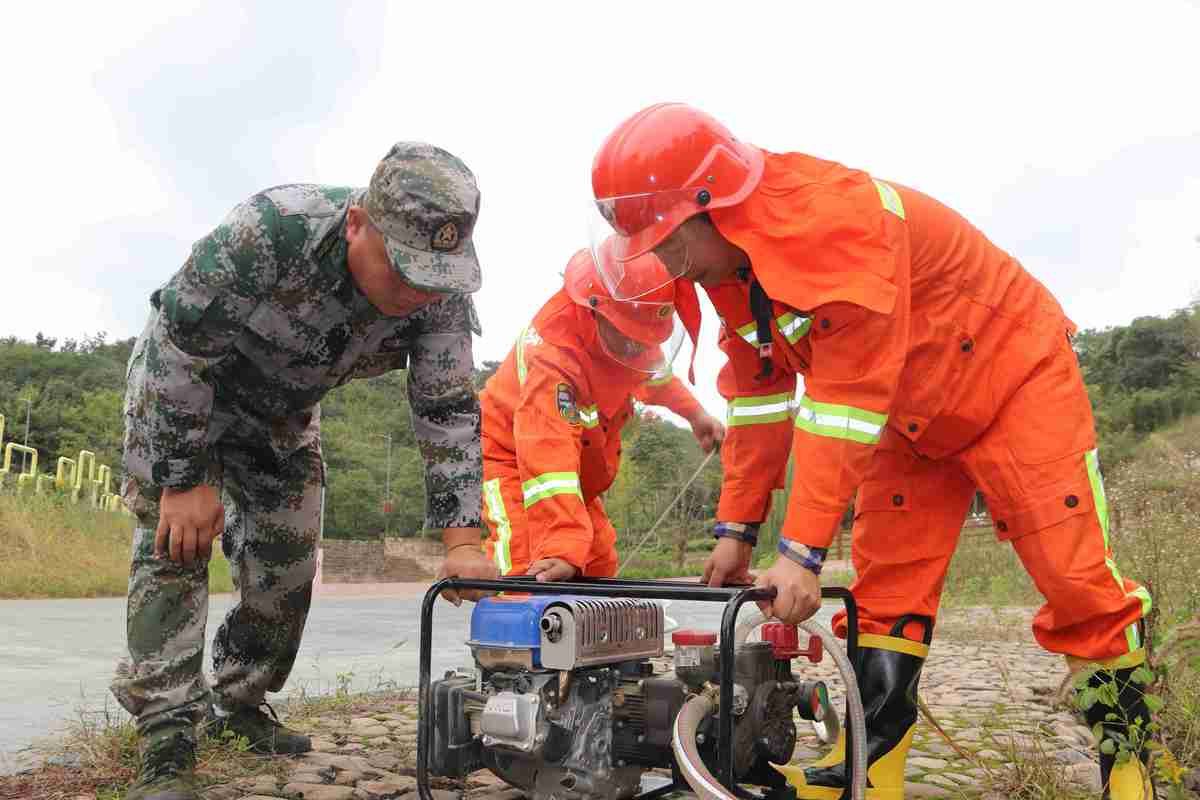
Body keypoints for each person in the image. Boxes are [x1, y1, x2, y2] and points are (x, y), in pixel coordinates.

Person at [588, 103, 1154, 799]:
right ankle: (867, 772)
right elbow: (762, 401)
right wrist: (736, 530)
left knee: (1076, 581)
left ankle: (1130, 766)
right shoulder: (732, 273)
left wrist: (800, 554)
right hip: (910, 417)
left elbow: (843, 400)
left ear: (714, 209)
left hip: (1012, 380)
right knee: (888, 596)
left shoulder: (835, 222)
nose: (666, 263)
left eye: (669, 242)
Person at [113, 142, 499, 800]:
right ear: (357, 224)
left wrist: (465, 539)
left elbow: (446, 410)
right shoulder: (268, 232)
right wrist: (182, 478)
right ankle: (167, 729)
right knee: (177, 544)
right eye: (401, 269)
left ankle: (239, 703)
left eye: (433, 275)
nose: (414, 292)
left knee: (287, 564)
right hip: (188, 395)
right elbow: (178, 341)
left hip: (283, 417)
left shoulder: (437, 293)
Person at [478, 244, 723, 580]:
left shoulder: (629, 335)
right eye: (631, 338)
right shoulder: (553, 358)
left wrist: (695, 414)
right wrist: (561, 547)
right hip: (515, 462)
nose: (637, 347)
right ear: (598, 312)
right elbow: (547, 453)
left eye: (645, 339)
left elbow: (650, 373)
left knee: (597, 564)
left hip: (573, 470)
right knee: (530, 570)